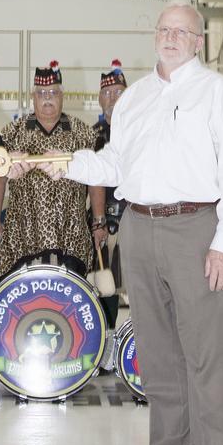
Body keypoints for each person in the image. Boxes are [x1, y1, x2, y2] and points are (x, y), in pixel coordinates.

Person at [67, 1, 223, 445]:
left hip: (196, 229)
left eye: (183, 31)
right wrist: (60, 163)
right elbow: (112, 165)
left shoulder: (218, 93)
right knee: (160, 361)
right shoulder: (134, 99)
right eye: (164, 30)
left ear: (199, 41)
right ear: (155, 36)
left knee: (205, 362)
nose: (172, 38)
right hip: (140, 232)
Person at [0, 61, 105, 279]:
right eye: (41, 93)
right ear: (33, 97)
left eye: (53, 92)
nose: (47, 98)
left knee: (67, 300)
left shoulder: (83, 133)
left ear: (62, 96)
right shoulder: (13, 132)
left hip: (71, 234)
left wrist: (98, 220)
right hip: (21, 233)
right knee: (21, 301)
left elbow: (95, 178)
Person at [94, 61, 129, 334]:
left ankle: (137, 346)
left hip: (137, 217)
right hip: (100, 217)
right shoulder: (91, 135)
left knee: (141, 284)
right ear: (98, 98)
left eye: (118, 93)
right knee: (105, 282)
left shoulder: (142, 132)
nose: (112, 99)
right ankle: (106, 339)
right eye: (107, 94)